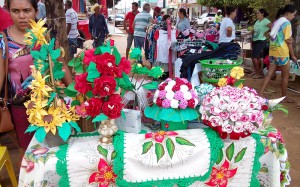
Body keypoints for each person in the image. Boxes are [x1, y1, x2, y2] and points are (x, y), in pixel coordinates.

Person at [0, 0, 72, 151]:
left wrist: (74, 92)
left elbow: (61, 65)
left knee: (55, 149)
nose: (21, 16)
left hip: (51, 105)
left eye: (27, 10)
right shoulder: (3, 39)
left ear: (36, 11)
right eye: (15, 11)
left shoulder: (46, 36)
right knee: (29, 153)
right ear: (9, 10)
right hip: (21, 108)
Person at [259, 5, 297, 103]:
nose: (293, 16)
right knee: (285, 76)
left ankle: (261, 93)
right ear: (288, 13)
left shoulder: (277, 22)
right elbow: (288, 41)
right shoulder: (287, 23)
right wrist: (292, 55)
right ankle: (284, 97)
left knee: (269, 74)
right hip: (282, 53)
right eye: (293, 14)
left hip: (273, 52)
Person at [250, 9, 272, 79]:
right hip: (255, 40)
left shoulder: (266, 21)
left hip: (261, 40)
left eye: (258, 13)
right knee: (258, 57)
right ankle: (258, 72)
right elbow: (253, 31)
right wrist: (246, 35)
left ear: (262, 13)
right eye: (256, 13)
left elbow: (272, 27)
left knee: (254, 57)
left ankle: (257, 73)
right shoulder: (257, 21)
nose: (257, 14)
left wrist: (267, 33)